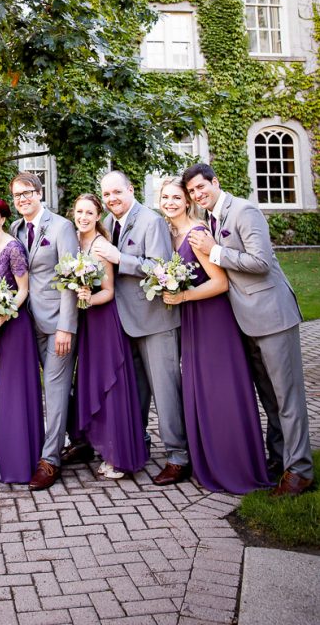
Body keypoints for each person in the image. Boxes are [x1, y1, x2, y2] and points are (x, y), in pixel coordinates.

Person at [182, 163, 314, 497]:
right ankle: (279, 459)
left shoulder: (244, 210)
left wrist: (214, 251)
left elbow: (261, 262)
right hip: (246, 320)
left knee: (288, 398)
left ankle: (300, 471)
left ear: (216, 181)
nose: (198, 195)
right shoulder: (212, 219)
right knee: (270, 398)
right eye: (193, 192)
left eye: (201, 187)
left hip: (273, 316)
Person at [159, 177, 270, 493]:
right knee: (200, 390)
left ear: (188, 201)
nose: (170, 202)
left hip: (213, 321)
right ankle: (208, 460)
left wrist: (182, 297)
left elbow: (220, 283)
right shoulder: (169, 234)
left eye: (176, 197)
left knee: (221, 390)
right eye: (165, 197)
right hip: (192, 320)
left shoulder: (196, 233)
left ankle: (235, 465)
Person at [91, 171, 190, 485]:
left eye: (117, 192)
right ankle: (137, 446)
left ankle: (178, 457)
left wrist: (121, 258)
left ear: (131, 190)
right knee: (134, 393)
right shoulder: (107, 222)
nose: (112, 199)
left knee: (165, 392)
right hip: (121, 322)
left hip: (155, 320)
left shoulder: (151, 221)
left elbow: (159, 268)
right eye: (106, 195)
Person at [66, 194, 147, 480]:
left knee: (108, 385)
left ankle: (118, 455)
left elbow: (109, 291)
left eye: (89, 212)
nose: (83, 217)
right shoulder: (73, 240)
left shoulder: (101, 247)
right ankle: (90, 441)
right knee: (88, 381)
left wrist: (89, 297)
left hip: (103, 321)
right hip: (85, 323)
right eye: (79, 212)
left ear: (98, 216)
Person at [9, 172, 79, 490]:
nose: (22, 199)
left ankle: (50, 461)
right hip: (28, 324)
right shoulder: (15, 229)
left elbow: (71, 278)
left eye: (27, 193)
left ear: (40, 193)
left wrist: (66, 326)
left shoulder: (61, 227)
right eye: (17, 195)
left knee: (53, 388)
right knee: (56, 389)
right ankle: (79, 438)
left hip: (57, 325)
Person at [0, 197, 43, 484]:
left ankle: (20, 461)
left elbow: (23, 290)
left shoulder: (13, 247)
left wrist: (4, 316)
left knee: (15, 390)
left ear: (3, 218)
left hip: (15, 327)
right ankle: (0, 457)